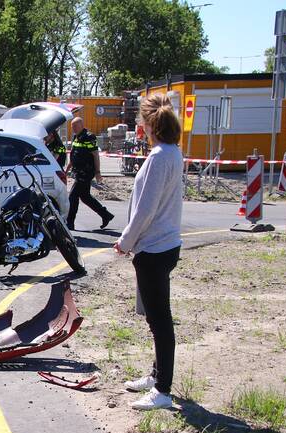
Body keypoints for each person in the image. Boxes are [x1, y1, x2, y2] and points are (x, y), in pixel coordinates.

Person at [114, 93, 184, 411]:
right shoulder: (172, 153)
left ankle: (163, 390)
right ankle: (157, 376)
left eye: (141, 122)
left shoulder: (158, 157)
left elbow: (145, 210)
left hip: (154, 248)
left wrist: (125, 242)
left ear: (147, 125)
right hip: (163, 245)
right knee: (156, 319)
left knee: (159, 320)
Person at [65, 117, 114, 231]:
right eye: (72, 127)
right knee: (85, 197)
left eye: (75, 126)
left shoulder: (89, 137)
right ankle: (105, 215)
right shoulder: (76, 137)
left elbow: (95, 155)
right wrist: (67, 170)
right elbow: (74, 156)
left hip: (86, 172)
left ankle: (70, 223)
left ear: (82, 125)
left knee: (73, 196)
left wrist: (98, 172)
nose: (74, 129)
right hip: (78, 172)